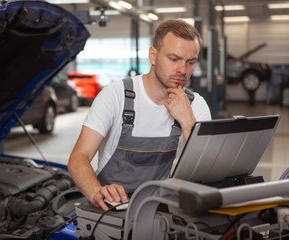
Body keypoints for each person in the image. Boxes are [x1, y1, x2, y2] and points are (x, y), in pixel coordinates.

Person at [68, 19, 211, 211]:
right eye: (174, 59)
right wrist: (96, 192)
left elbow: (206, 172)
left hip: (159, 209)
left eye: (190, 62)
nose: (182, 71)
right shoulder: (115, 95)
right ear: (153, 55)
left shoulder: (195, 105)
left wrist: (187, 122)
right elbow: (79, 156)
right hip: (109, 210)